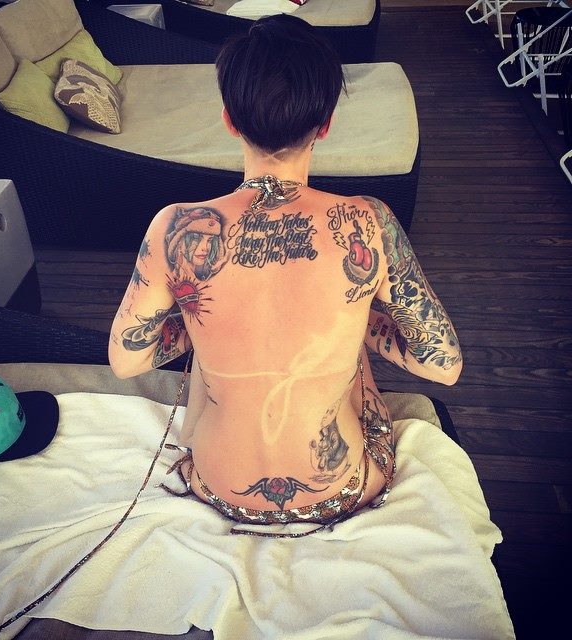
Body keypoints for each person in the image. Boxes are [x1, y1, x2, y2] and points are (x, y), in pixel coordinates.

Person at [109, 14, 462, 536]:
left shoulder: (175, 227)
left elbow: (127, 360)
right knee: (348, 336)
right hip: (342, 489)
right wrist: (355, 318)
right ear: (325, 124)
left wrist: (202, 320)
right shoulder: (368, 222)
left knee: (210, 341)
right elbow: (443, 365)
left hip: (215, 484)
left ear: (230, 120)